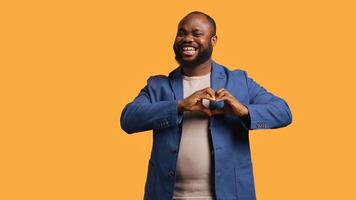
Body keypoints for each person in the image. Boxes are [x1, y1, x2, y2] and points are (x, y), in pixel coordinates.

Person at [120, 11, 292, 200]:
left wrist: (243, 111)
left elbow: (283, 112)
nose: (187, 39)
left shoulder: (238, 81)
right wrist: (179, 106)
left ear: (213, 40)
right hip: (167, 195)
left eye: (196, 33)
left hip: (230, 195)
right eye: (181, 32)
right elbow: (128, 119)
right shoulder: (158, 85)